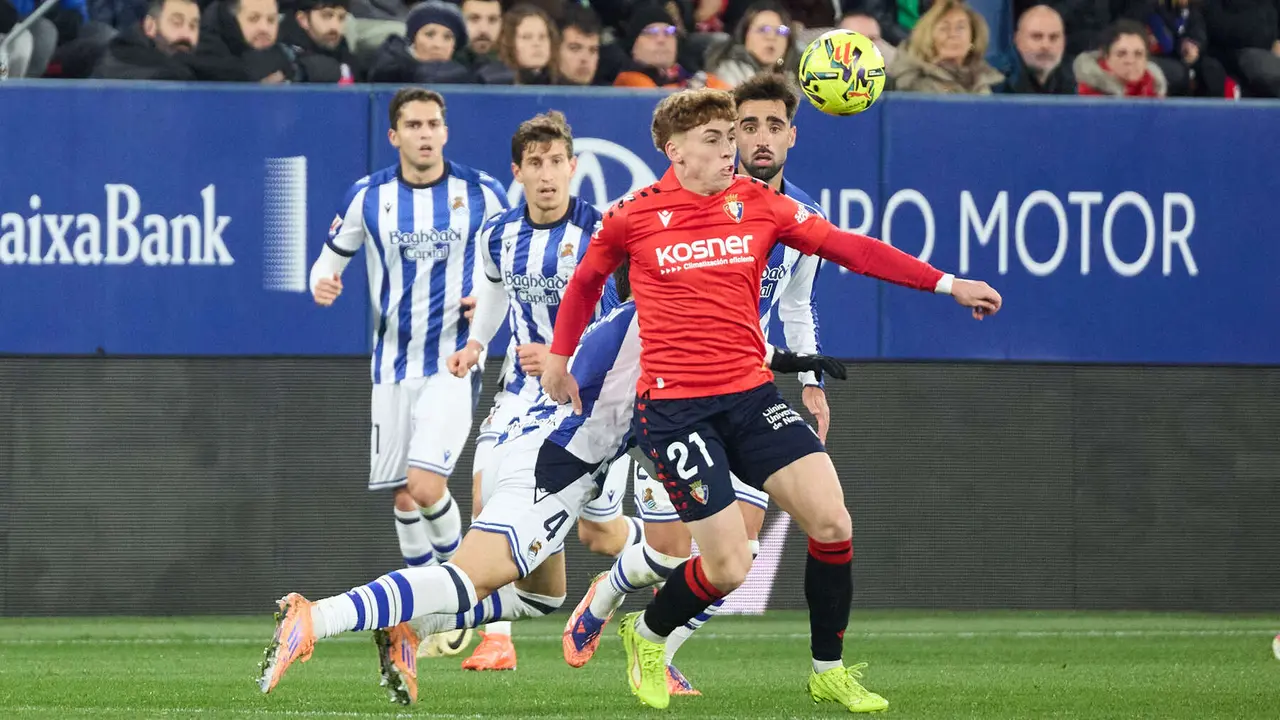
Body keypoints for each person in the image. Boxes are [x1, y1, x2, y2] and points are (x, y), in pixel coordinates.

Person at [540, 88, 1002, 711]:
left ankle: (827, 669)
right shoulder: (633, 215)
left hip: (751, 398)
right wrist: (560, 358)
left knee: (833, 523)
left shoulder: (760, 204)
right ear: (673, 150)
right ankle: (646, 634)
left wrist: (948, 284)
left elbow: (853, 249)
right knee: (728, 567)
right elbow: (586, 282)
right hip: (676, 411)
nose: (729, 149)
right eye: (715, 138)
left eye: (731, 137)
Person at [257, 260, 840, 706]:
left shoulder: (656, 324)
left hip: (535, 449)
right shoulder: (640, 327)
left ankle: (408, 623)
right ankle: (318, 616)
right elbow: (582, 383)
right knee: (466, 582)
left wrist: (799, 365)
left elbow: (745, 348)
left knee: (541, 594)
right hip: (548, 469)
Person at [559, 73, 835, 697]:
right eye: (745, 126)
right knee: (667, 547)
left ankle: (660, 648)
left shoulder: (799, 220)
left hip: (745, 386)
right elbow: (617, 291)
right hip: (674, 389)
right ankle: (604, 598)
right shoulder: (674, 205)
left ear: (792, 136)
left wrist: (812, 381)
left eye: (772, 126)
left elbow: (795, 307)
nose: (757, 139)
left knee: (737, 548)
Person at [440, 110, 637, 671]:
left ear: (573, 167)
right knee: (488, 509)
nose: (547, 174)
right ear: (517, 172)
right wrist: (477, 344)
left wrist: (563, 355)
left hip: (587, 401)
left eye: (556, 162)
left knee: (598, 535)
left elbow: (624, 319)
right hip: (518, 398)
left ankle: (665, 550)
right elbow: (496, 292)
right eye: (535, 163)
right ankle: (496, 638)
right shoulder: (498, 234)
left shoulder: (604, 232)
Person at [304, 87, 508, 602]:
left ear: (445, 131)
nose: (424, 134)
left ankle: (463, 594)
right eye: (413, 126)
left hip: (452, 361)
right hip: (391, 365)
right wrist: (321, 282)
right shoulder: (368, 197)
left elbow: (512, 259)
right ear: (394, 135)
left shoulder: (481, 192)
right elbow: (327, 262)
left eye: (432, 124)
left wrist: (484, 297)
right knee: (403, 496)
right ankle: (427, 608)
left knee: (424, 486)